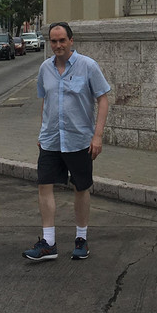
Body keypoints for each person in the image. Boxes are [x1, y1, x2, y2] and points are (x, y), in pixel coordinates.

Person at [22, 22, 110, 262]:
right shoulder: (44, 69)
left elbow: (103, 99)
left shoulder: (88, 66)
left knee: (81, 187)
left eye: (62, 40)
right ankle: (48, 242)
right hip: (50, 138)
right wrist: (42, 131)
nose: (58, 45)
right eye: (53, 41)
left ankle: (81, 239)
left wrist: (98, 135)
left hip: (79, 139)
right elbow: (46, 101)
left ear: (71, 41)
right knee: (44, 185)